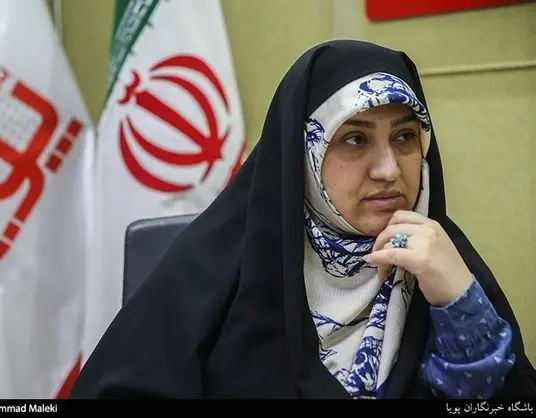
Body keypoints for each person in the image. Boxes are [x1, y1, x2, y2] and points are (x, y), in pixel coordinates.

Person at [70, 40, 536, 399]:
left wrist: (459, 305)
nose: (389, 170)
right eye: (354, 139)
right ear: (303, 156)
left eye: (404, 137)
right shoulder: (212, 268)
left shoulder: (441, 260)